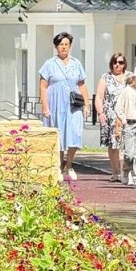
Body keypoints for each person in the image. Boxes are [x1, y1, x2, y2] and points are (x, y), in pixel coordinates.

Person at [38, 32, 89, 180]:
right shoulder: (49, 64)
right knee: (58, 135)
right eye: (61, 44)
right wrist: (45, 106)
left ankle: (69, 164)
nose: (63, 47)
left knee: (75, 133)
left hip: (73, 105)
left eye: (66, 44)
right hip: (55, 104)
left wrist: (87, 104)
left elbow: (82, 84)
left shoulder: (76, 63)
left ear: (70, 46)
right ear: (56, 46)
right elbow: (43, 86)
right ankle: (59, 166)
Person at [95, 52, 128, 181]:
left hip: (125, 116)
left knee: (124, 145)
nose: (117, 65)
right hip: (110, 115)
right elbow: (99, 97)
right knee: (113, 145)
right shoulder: (105, 78)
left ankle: (125, 171)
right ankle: (115, 172)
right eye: (115, 62)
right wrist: (100, 113)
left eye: (120, 62)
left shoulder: (130, 77)